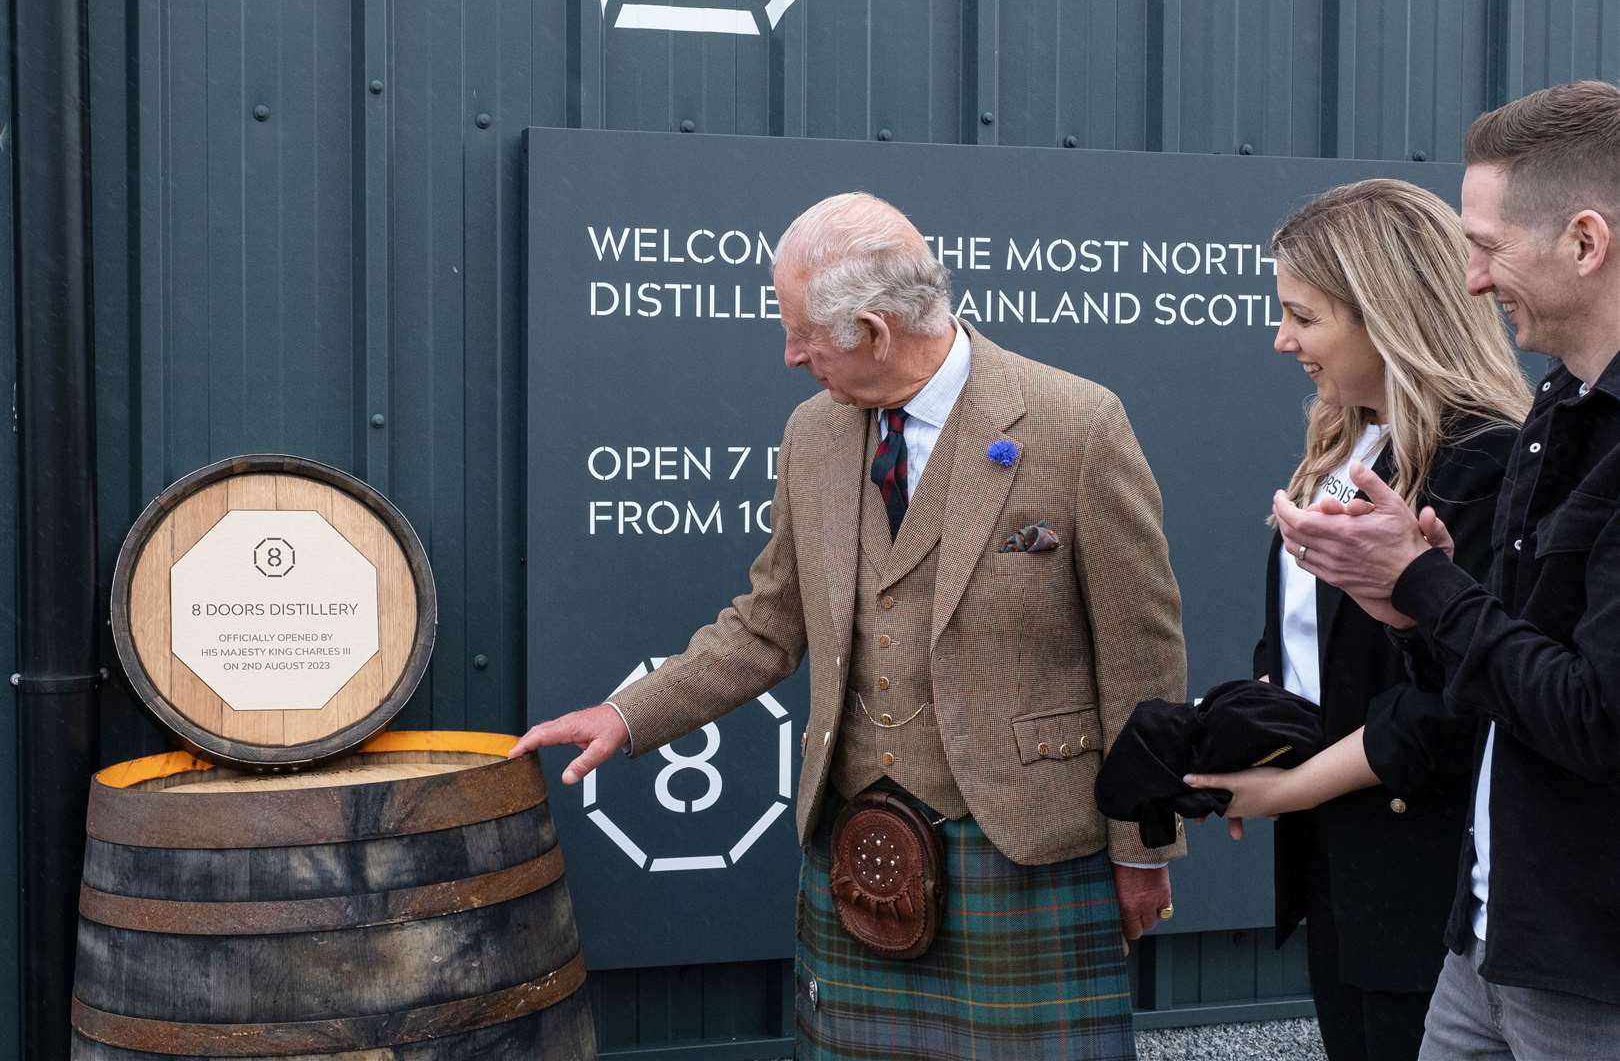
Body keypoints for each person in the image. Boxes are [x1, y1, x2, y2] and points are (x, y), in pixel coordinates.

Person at [511, 191, 1187, 1059]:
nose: (791, 356)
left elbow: (1143, 658)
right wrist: (630, 713)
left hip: (1029, 848)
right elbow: (767, 624)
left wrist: (1144, 848)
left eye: (803, 334)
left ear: (874, 329)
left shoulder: (1074, 424)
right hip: (858, 845)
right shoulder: (815, 437)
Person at [1261, 80, 1620, 1058]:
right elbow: (1492, 665)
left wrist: (1424, 589)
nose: (1470, 279)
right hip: (1484, 932)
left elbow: (1590, 716)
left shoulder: (1497, 446)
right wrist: (1410, 609)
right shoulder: (1557, 419)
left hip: (1573, 959)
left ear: (1586, 242)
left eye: (1488, 247)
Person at [1183, 179, 1530, 1061]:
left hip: (1425, 885)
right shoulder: (1347, 447)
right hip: (1340, 874)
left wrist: (1293, 788)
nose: (1281, 339)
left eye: (1303, 316)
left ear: (1384, 314)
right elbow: (1303, 652)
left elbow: (1459, 704)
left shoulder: (1483, 460)